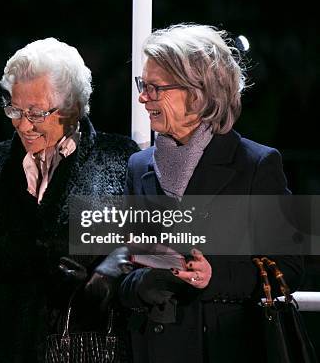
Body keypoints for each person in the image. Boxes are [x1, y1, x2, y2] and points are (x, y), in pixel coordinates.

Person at [0, 37, 139, 362]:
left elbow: (153, 246)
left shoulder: (121, 161)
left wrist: (110, 272)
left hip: (83, 350)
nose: (23, 125)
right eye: (14, 109)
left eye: (37, 113)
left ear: (73, 108)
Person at [111, 23, 304, 363]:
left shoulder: (257, 164)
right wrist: (142, 284)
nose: (143, 97)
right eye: (143, 85)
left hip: (224, 348)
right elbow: (120, 266)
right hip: (150, 349)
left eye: (155, 88)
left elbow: (289, 267)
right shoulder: (138, 166)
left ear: (198, 93)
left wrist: (214, 276)